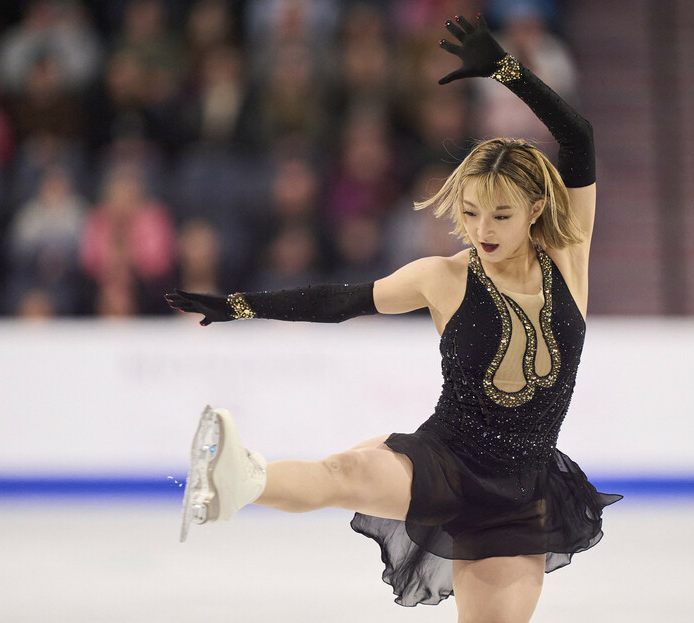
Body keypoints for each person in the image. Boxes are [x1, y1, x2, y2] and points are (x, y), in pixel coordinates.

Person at [165, 14, 620, 622]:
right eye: (472, 213)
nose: (483, 231)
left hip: (524, 495)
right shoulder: (443, 277)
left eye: (502, 216)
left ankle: (238, 483)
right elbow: (341, 301)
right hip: (447, 462)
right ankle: (236, 482)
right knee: (345, 472)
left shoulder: (571, 255)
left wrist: (507, 72)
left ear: (536, 208)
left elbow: (579, 137)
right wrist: (241, 306)